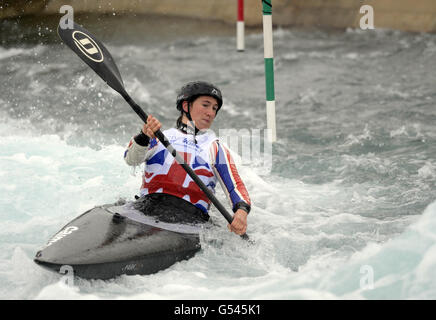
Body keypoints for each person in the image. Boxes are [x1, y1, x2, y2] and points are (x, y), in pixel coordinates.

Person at [124, 81, 251, 235]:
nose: (211, 113)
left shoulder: (215, 148)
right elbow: (131, 159)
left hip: (191, 219)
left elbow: (234, 186)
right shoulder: (158, 135)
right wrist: (144, 136)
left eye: (214, 108)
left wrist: (241, 211)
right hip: (146, 207)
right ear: (186, 106)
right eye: (206, 105)